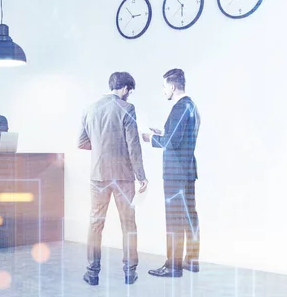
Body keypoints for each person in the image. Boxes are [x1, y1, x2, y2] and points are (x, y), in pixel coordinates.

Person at [78, 72, 148, 286]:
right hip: (123, 177)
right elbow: (133, 146)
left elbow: (82, 142)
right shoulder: (127, 109)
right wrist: (141, 176)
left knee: (95, 224)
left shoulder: (89, 108)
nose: (129, 95)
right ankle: (129, 272)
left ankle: (92, 273)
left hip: (98, 175)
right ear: (125, 88)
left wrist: (101, 148)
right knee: (128, 224)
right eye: (130, 91)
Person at [141, 68, 201, 278]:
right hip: (188, 170)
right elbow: (179, 138)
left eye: (164, 86)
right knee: (189, 215)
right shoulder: (192, 107)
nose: (163, 90)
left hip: (175, 173)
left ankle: (173, 266)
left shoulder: (179, 108)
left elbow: (172, 142)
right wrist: (163, 133)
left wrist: (151, 138)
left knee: (174, 219)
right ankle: (191, 261)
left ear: (173, 86)